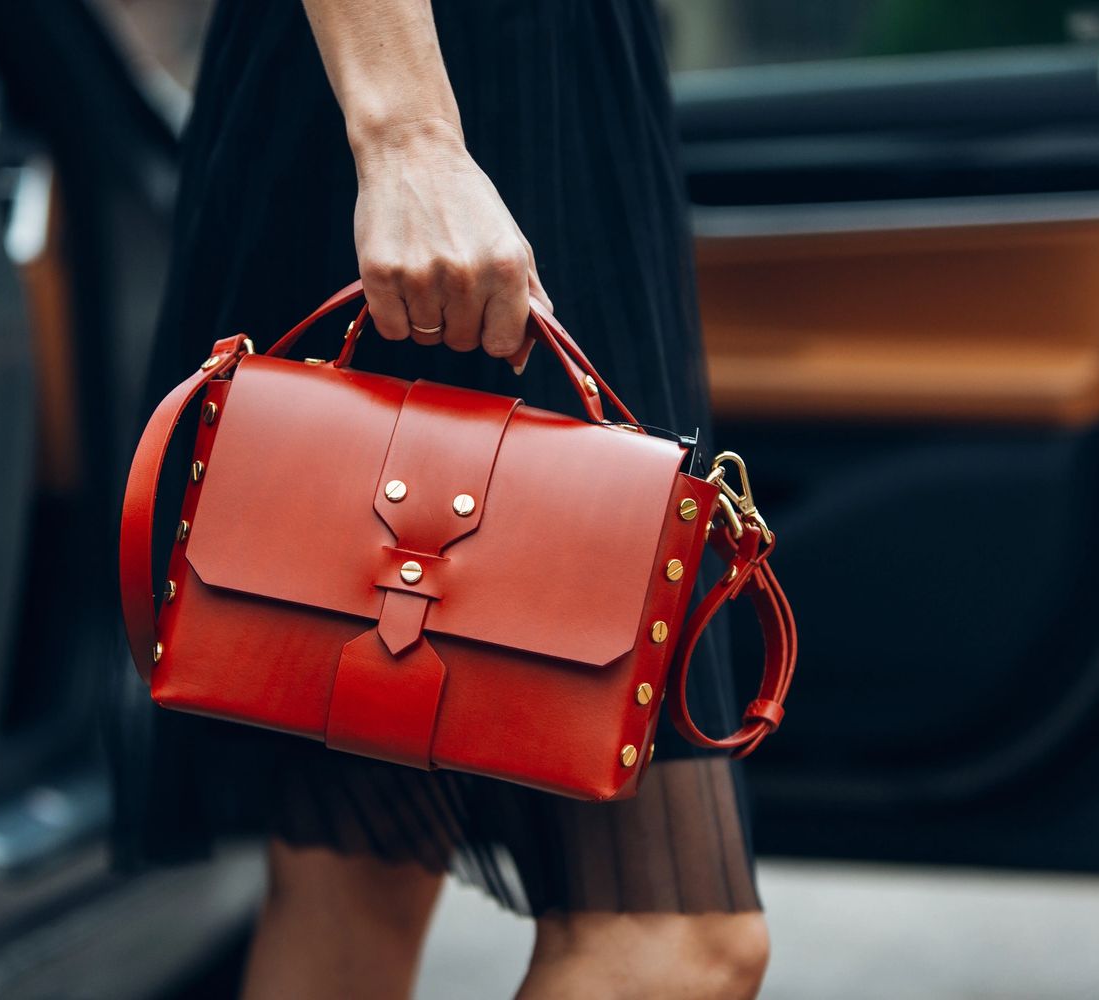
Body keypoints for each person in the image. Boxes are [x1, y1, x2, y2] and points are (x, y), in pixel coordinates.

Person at [139, 2, 769, 997]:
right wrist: (408, 138)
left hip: (484, 87)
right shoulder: (421, 135)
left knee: (357, 880)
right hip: (448, 87)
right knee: (674, 945)